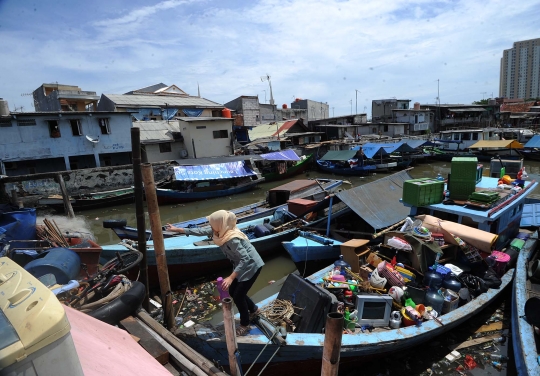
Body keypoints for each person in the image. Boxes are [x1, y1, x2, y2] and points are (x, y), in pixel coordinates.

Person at [165, 210, 264, 336]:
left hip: (252, 265)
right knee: (234, 292)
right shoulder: (218, 231)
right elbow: (200, 231)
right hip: (241, 265)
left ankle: (245, 324)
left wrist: (231, 277)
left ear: (220, 224)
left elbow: (246, 259)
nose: (210, 227)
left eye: (212, 224)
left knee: (238, 295)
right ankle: (254, 310)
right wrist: (177, 229)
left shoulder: (231, 239)